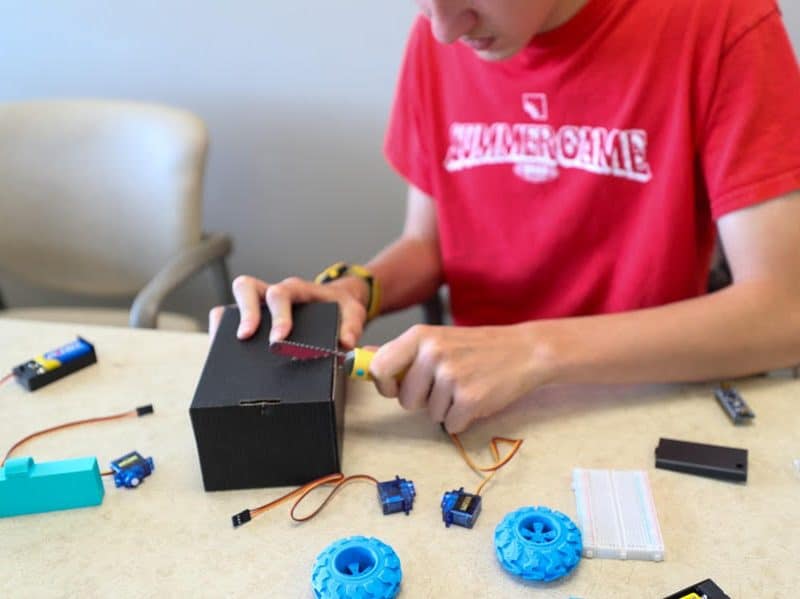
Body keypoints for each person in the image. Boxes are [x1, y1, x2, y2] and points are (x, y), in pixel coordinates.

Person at [210, 0, 800, 433]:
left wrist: (535, 352)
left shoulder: (721, 22)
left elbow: (783, 314)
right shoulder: (440, 37)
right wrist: (357, 290)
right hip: (479, 406)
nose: (443, 30)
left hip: (645, 404)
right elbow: (430, 243)